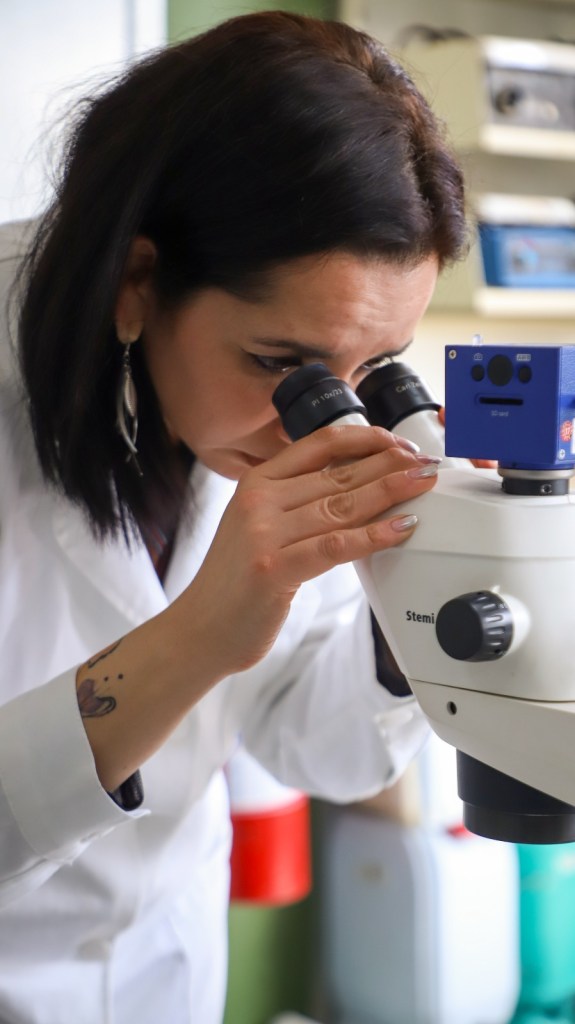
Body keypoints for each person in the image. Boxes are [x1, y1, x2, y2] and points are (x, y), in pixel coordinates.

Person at [0, 10, 466, 1023]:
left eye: (368, 372)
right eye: (283, 368)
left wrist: (409, 626)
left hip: (168, 973)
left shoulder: (222, 414)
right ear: (136, 280)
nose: (318, 425)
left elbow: (313, 739)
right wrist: (198, 633)